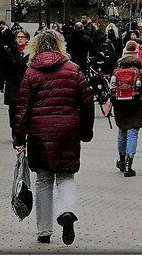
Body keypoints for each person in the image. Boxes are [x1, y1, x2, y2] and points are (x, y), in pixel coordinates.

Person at [13, 29, 94, 245]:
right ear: (60, 46)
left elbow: (22, 109)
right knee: (66, 176)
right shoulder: (74, 70)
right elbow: (87, 104)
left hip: (39, 133)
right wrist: (86, 132)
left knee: (43, 179)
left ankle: (44, 231)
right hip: (68, 130)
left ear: (35, 47)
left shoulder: (31, 73)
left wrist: (19, 137)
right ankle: (66, 211)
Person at [110, 41, 142, 178]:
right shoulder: (141, 73)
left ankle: (121, 161)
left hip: (120, 105)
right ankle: (129, 164)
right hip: (136, 106)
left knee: (122, 132)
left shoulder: (116, 72)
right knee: (133, 134)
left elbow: (111, 90)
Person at [0, 29, 31, 137]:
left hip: (27, 85)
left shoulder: (31, 53)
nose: (20, 39)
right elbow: (4, 69)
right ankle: (15, 130)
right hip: (12, 84)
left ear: (27, 39)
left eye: (22, 37)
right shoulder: (10, 52)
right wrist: (1, 82)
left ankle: (24, 131)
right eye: (18, 37)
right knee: (13, 109)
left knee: (26, 109)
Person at [0, 21, 14, 90]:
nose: (1, 26)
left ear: (4, 25)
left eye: (2, 25)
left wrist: (8, 46)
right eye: (0, 25)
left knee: (6, 64)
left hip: (6, 51)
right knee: (0, 65)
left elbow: (12, 41)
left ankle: (5, 78)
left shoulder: (9, 32)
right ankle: (0, 77)